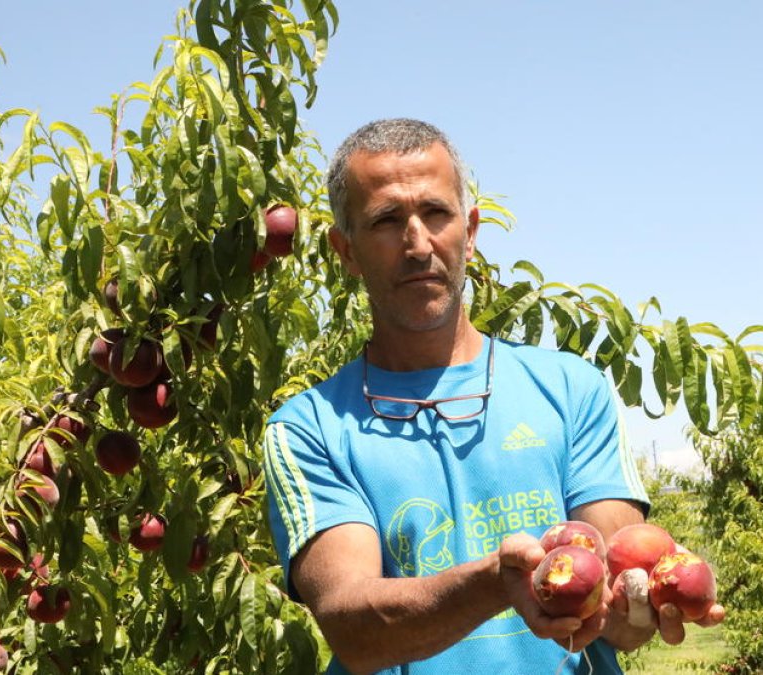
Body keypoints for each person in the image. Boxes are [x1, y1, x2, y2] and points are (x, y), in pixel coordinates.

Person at [262, 118, 724, 675]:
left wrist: (640, 606)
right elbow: (354, 629)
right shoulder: (308, 429)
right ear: (347, 251)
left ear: (471, 231)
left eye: (436, 213)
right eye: (386, 220)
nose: (417, 243)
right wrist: (494, 585)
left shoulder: (573, 390)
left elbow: (616, 589)